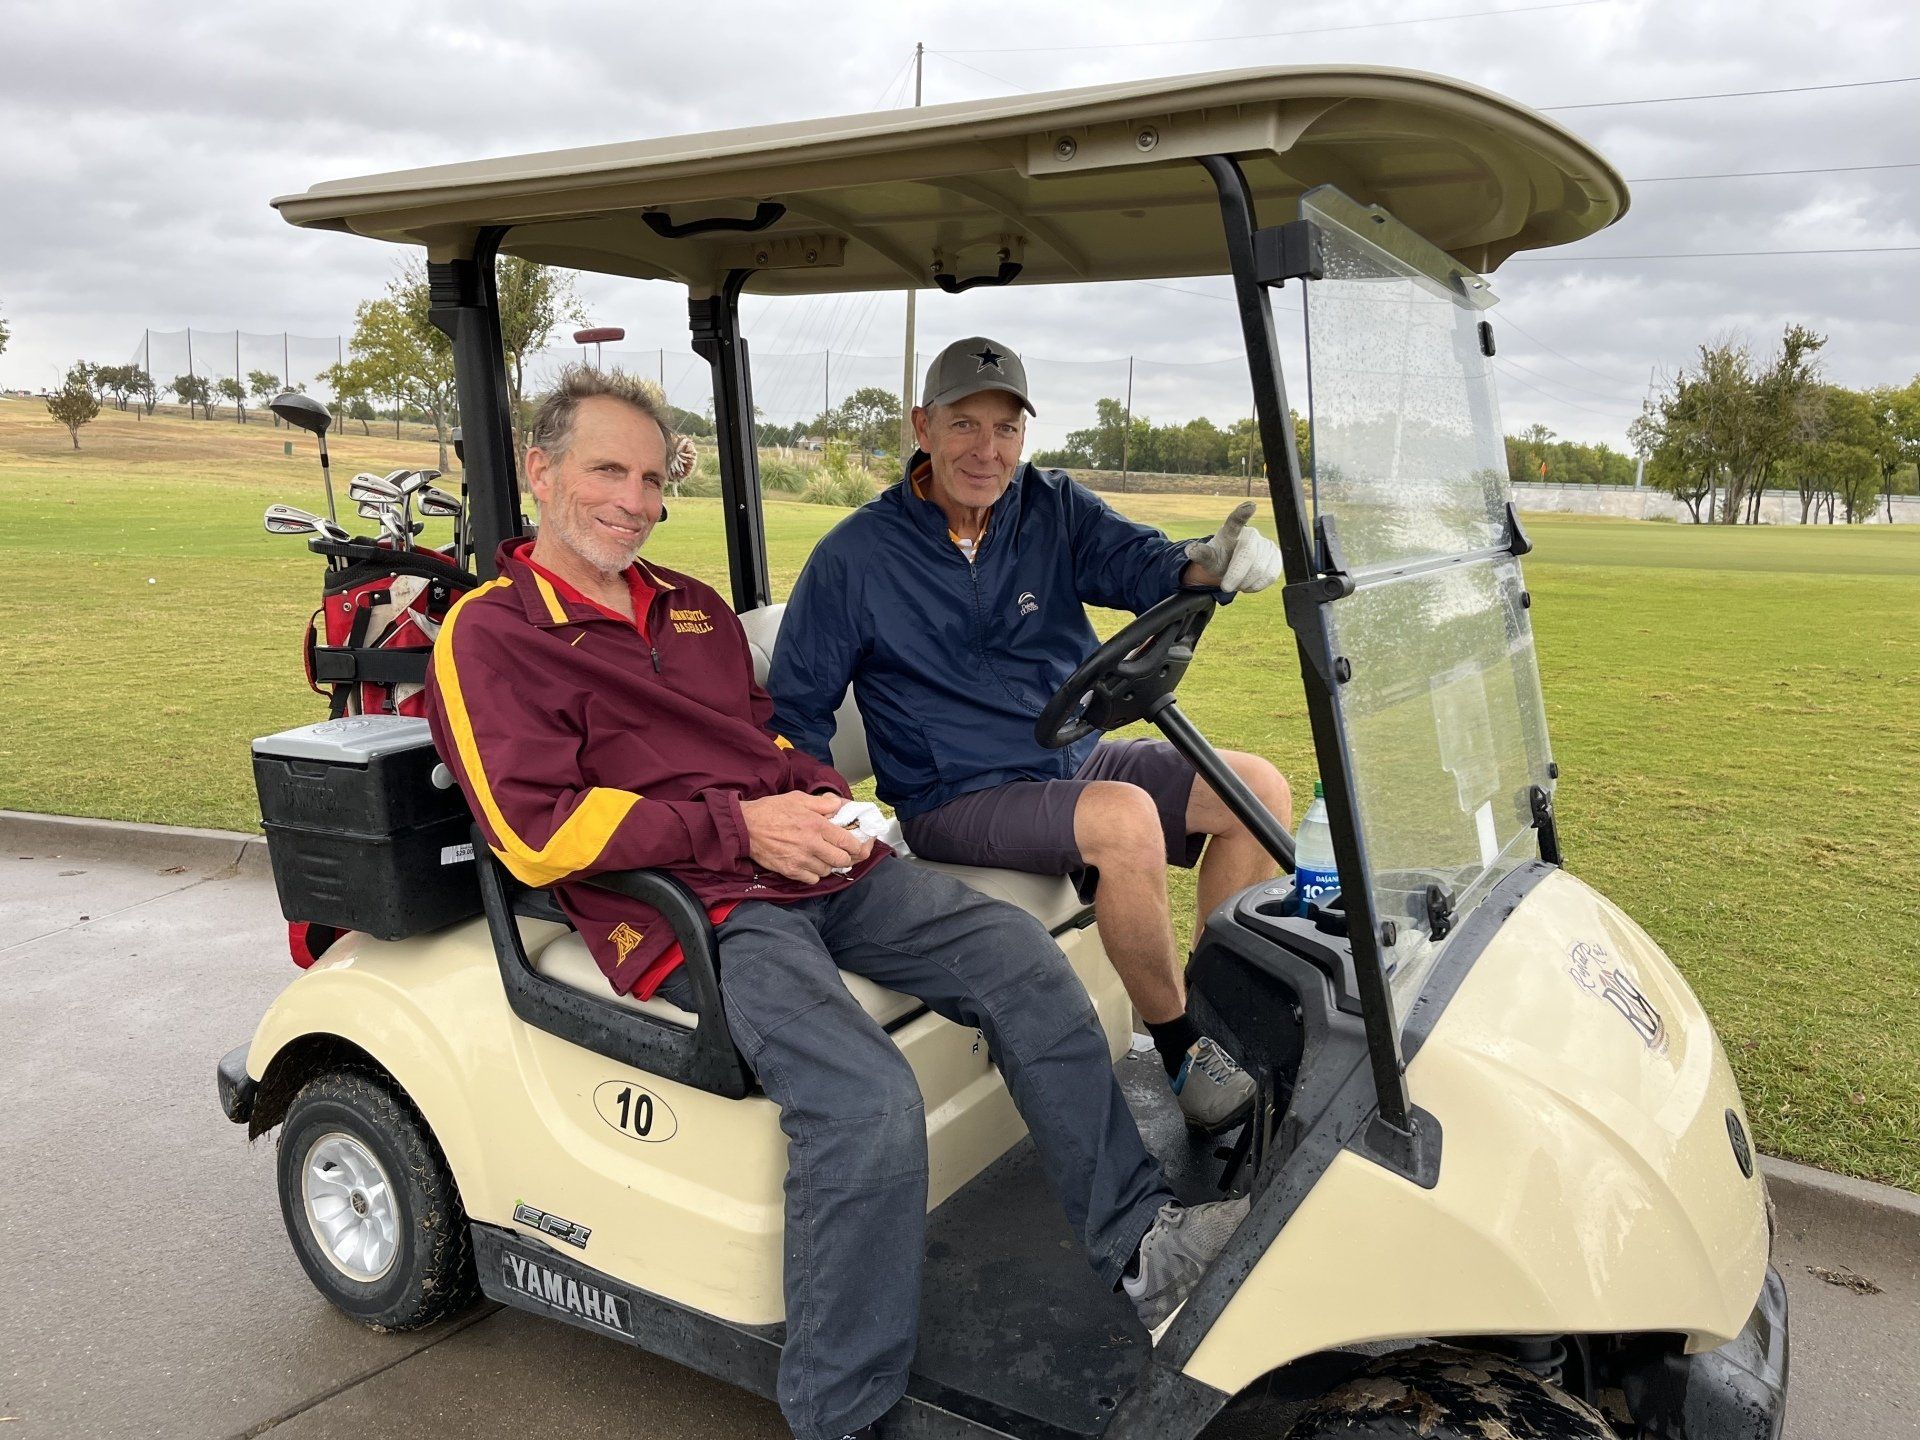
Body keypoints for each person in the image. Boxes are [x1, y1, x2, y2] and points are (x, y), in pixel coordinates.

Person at [423, 366, 1245, 1440]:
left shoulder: (691, 608)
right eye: (604, 471)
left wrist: (823, 802)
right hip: (699, 908)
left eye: (649, 476)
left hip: (813, 864)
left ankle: (1140, 1246)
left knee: (1023, 966)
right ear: (541, 472)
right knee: (865, 1100)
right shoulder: (492, 635)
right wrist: (741, 831)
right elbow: (534, 831)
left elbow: (768, 743)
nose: (633, 498)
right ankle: (840, 1413)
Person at [769, 337, 1293, 1135]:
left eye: (1007, 429)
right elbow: (800, 709)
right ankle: (1183, 1051)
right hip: (956, 794)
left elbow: (1139, 562)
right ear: (923, 426)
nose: (988, 450)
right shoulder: (856, 557)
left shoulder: (1050, 507)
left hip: (1066, 759)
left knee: (1253, 786)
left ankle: (1217, 1019)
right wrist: (822, 812)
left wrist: (1203, 564)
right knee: (1122, 820)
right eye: (964, 425)